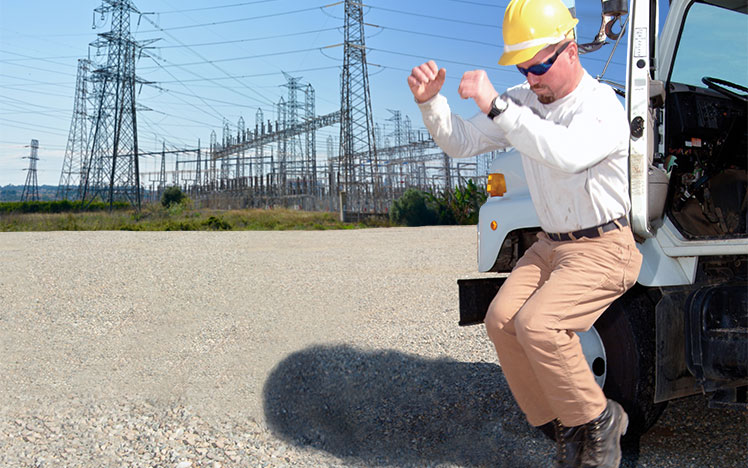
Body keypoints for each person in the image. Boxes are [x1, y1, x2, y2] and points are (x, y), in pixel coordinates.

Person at [407, 0, 642, 467]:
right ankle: (567, 429)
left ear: (571, 49)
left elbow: (567, 153)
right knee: (502, 321)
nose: (532, 77)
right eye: (523, 67)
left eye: (539, 64)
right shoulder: (525, 99)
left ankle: (600, 421)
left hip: (604, 246)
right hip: (551, 244)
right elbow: (460, 142)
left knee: (540, 323)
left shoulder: (602, 107)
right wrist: (431, 102)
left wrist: (498, 106)